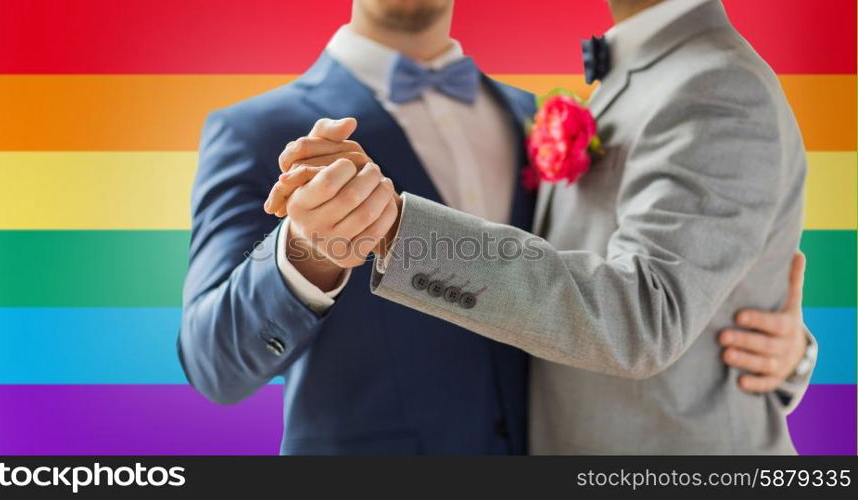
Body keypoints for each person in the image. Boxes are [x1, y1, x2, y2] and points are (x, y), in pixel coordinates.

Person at [184, 0, 812, 454]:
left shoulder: (529, 116)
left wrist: (778, 349)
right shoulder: (255, 132)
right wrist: (305, 253)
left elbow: (624, 287)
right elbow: (215, 365)